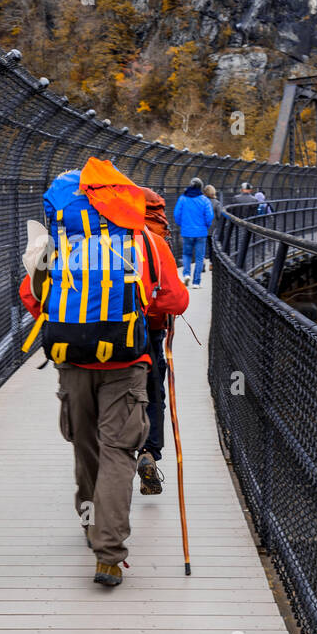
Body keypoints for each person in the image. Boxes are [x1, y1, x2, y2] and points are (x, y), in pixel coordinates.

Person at [18, 157, 188, 587]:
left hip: (71, 359)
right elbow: (176, 301)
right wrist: (136, 305)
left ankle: (90, 519)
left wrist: (73, 315)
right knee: (119, 451)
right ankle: (108, 554)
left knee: (87, 447)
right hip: (127, 362)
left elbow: (31, 298)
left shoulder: (59, 241)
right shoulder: (145, 239)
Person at [136, 187, 173, 498]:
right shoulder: (155, 241)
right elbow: (174, 299)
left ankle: (105, 458)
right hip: (148, 331)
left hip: (95, 336)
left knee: (106, 397)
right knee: (152, 393)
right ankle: (148, 452)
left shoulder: (93, 235)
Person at [174, 176, 214, 288]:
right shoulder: (204, 200)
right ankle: (196, 282)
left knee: (186, 254)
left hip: (187, 232)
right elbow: (209, 216)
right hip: (201, 232)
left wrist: (181, 225)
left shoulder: (183, 198)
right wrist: (206, 226)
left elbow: (177, 214)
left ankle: (186, 274)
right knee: (199, 257)